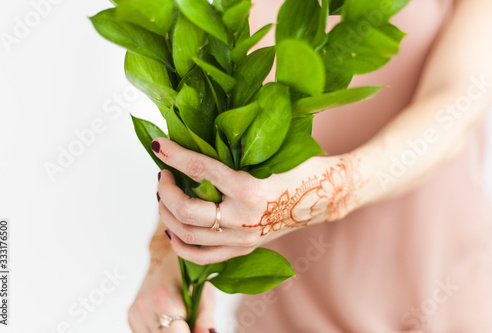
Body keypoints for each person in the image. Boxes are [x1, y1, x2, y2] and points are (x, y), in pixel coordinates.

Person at [128, 0, 492, 331]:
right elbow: (206, 125)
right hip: (282, 316)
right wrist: (171, 252)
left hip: (442, 300)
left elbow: (455, 104)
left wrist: (331, 192)